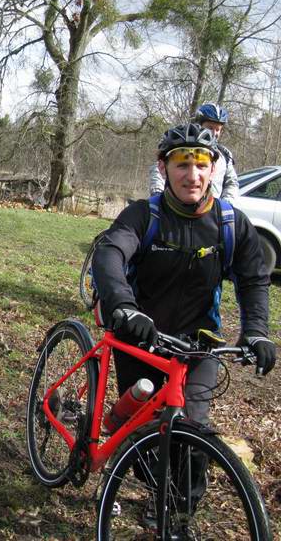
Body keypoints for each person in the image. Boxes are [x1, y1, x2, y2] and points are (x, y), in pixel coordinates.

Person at [92, 122, 275, 523]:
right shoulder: (144, 215)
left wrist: (257, 331)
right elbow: (110, 255)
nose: (192, 175)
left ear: (213, 169)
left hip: (198, 343)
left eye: (201, 164)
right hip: (140, 335)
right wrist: (125, 306)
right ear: (164, 167)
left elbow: (254, 278)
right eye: (181, 164)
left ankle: (177, 515)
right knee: (139, 432)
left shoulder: (230, 223)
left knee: (192, 428)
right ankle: (139, 473)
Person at [149, 102, 238, 201]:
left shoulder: (225, 155)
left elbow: (231, 182)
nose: (214, 133)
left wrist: (226, 203)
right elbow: (159, 170)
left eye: (218, 129)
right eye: (210, 127)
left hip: (212, 210)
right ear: (198, 124)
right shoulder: (181, 145)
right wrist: (157, 192)